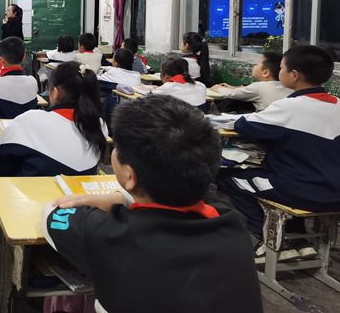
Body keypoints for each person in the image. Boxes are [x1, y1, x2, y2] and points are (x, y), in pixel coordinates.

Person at [43, 96, 263, 313]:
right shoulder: (233, 226)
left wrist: (115, 199)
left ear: (130, 176)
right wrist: (124, 198)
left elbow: (52, 213)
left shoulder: (110, 234)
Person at [217, 46, 340, 245]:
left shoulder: (289, 107)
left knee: (228, 178)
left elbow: (244, 126)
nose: (279, 71)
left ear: (294, 75)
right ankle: (300, 242)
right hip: (334, 193)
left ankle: (260, 235)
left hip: (299, 190)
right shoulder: (337, 105)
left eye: (282, 68)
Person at [0, 61, 106, 176]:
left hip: (33, 186)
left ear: (55, 92)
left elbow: (1, 154)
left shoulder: (29, 120)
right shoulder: (99, 123)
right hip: (83, 186)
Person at [210, 51, 292, 112]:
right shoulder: (286, 86)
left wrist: (217, 88)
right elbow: (246, 90)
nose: (254, 66)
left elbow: (233, 94)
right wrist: (234, 87)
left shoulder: (258, 87)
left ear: (265, 73)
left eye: (257, 64)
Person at [0, 37, 37, 119]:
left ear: (2, 60)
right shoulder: (32, 81)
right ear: (24, 57)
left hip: (2, 126)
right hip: (26, 125)